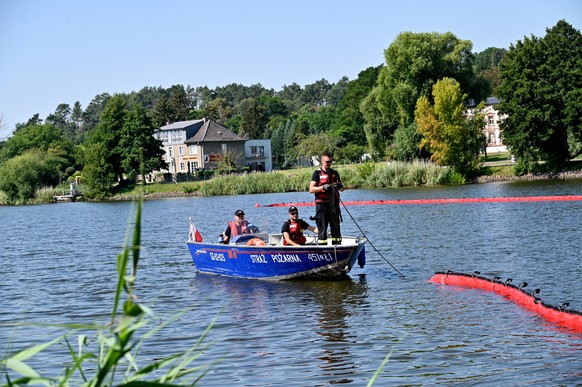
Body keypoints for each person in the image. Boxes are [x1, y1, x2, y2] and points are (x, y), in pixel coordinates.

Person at [309, 152, 344, 245]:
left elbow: (342, 189)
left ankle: (337, 246)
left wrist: (339, 185)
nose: (329, 164)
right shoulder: (317, 173)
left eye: (331, 162)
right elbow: (311, 189)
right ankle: (322, 248)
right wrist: (322, 187)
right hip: (322, 205)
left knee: (335, 227)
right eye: (327, 162)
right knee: (322, 228)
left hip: (333, 205)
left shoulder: (334, 173)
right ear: (322, 161)